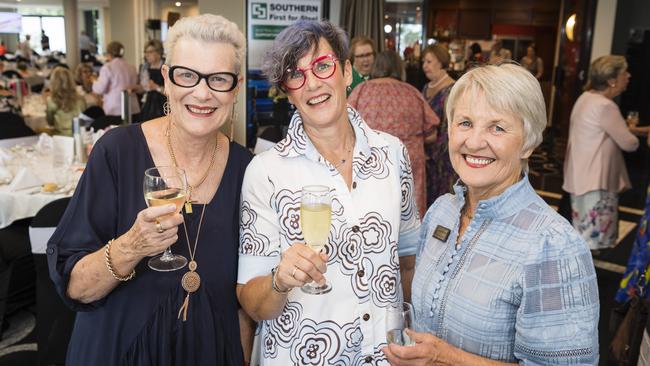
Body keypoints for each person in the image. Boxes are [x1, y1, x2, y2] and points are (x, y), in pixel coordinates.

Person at [48, 14, 254, 365]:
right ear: (166, 80)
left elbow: (246, 304)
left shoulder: (247, 169)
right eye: (187, 75)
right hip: (119, 352)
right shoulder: (117, 151)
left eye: (219, 79)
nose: (202, 93)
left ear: (236, 87)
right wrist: (132, 245)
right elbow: (77, 288)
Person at [383, 63, 600, 365]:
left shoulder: (552, 246)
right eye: (465, 123)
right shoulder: (440, 213)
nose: (473, 142)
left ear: (528, 143)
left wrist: (445, 359)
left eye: (497, 127)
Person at [237, 20, 421, 365]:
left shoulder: (393, 154)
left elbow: (409, 261)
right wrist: (279, 280)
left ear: (347, 72)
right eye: (296, 74)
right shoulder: (266, 172)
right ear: (288, 91)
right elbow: (251, 300)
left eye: (323, 66)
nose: (313, 84)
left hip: (385, 357)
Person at [348, 50, 438, 217]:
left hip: (372, 161)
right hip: (409, 160)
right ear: (399, 67)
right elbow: (432, 133)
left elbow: (346, 126)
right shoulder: (412, 92)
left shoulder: (361, 91)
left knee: (372, 214)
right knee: (410, 215)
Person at [563, 55, 639, 251]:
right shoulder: (605, 106)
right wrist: (635, 134)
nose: (628, 76)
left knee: (582, 234)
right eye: (624, 73)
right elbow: (629, 143)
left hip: (581, 174)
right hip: (596, 180)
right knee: (590, 239)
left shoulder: (585, 98)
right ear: (611, 80)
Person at [421, 45, 457, 205]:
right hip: (426, 156)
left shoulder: (453, 89)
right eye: (423, 62)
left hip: (443, 158)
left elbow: (450, 129)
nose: (424, 66)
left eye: (429, 62)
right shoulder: (426, 87)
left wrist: (432, 153)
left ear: (441, 62)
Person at [92, 41, 140, 119]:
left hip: (115, 108)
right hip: (132, 107)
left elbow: (100, 89)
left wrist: (94, 81)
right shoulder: (132, 67)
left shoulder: (107, 67)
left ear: (108, 54)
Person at [46, 67, 86, 136]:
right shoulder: (81, 99)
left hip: (60, 138)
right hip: (78, 136)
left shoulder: (51, 101)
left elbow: (50, 122)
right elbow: (84, 120)